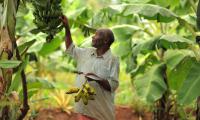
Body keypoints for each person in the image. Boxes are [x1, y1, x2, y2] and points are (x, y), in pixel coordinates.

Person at [60, 15, 120, 120]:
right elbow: (70, 48)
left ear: (105, 41)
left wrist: (97, 80)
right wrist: (67, 28)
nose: (93, 36)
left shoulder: (113, 60)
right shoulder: (86, 52)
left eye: (96, 35)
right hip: (83, 109)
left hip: (100, 113)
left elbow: (113, 85)